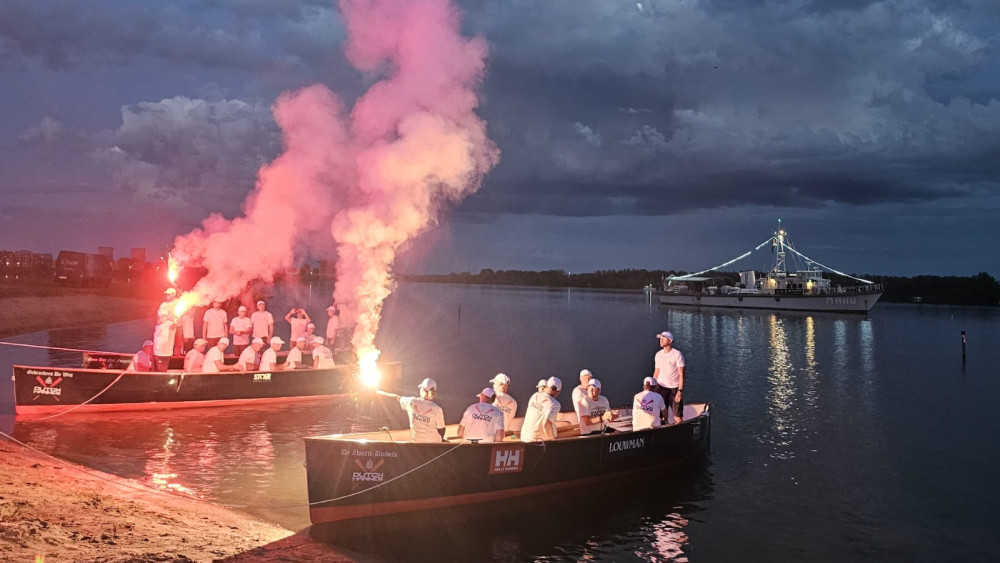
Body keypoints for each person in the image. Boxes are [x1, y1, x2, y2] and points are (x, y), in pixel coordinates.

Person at [379, 378, 445, 443]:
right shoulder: (437, 409)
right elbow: (441, 430)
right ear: (433, 393)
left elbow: (396, 398)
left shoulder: (411, 402)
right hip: (435, 445)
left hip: (416, 445)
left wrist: (380, 393)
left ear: (422, 390)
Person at [653, 331, 686, 424]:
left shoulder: (677, 354)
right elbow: (656, 372)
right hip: (661, 389)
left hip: (674, 389)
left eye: (663, 338)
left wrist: (680, 391)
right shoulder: (658, 355)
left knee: (678, 417)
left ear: (670, 341)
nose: (661, 340)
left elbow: (681, 375)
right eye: (660, 338)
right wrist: (652, 389)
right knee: (661, 416)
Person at [520, 376, 562, 442]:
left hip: (524, 438)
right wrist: (553, 443)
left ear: (546, 386)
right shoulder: (555, 404)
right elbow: (546, 424)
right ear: (558, 391)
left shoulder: (535, 396)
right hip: (538, 441)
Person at [152, 288, 178, 371]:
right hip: (157, 350)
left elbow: (178, 320)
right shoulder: (163, 305)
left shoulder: (177, 302)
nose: (167, 295)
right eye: (166, 294)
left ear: (173, 294)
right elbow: (158, 316)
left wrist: (174, 321)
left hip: (171, 327)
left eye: (169, 294)